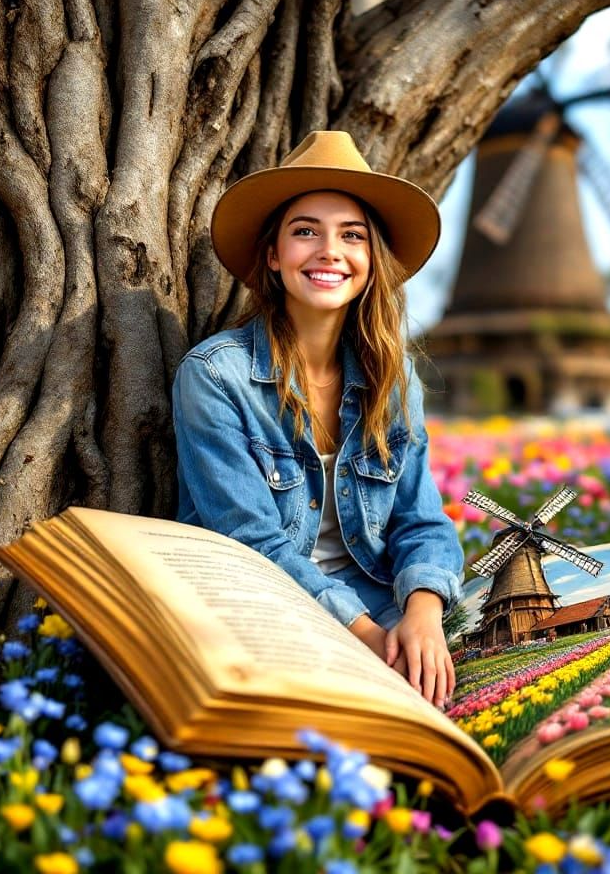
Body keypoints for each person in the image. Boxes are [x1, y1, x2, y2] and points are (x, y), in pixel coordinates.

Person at [172, 130, 464, 708]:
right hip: (264, 608)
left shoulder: (394, 378)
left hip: (382, 602)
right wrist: (378, 645)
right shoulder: (214, 376)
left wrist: (424, 617)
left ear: (370, 262)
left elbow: (421, 522)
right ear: (274, 256)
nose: (330, 250)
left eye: (351, 236)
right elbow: (250, 542)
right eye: (306, 231)